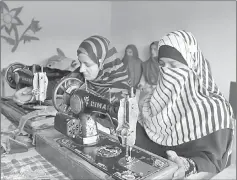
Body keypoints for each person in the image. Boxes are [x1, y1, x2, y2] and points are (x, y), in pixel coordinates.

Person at [135, 30, 235, 179]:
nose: (166, 72)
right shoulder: (150, 101)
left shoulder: (214, 110)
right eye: (162, 64)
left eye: (173, 65)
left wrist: (187, 166)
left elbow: (213, 162)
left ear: (192, 65)